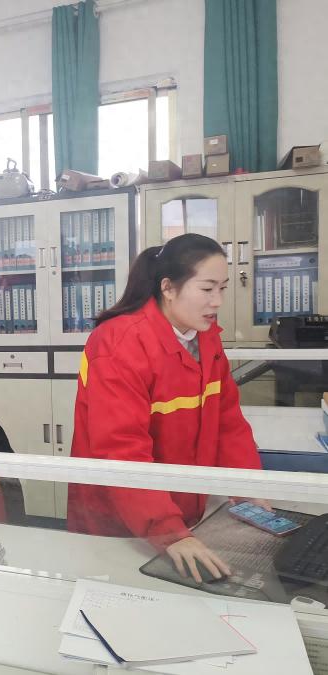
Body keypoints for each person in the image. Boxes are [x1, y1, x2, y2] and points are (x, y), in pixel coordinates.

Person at [67, 233, 266, 584]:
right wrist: (167, 530)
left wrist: (249, 489)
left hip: (183, 514)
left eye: (222, 288)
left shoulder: (206, 337)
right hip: (120, 522)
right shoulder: (119, 343)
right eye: (207, 289)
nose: (218, 301)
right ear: (168, 288)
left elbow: (228, 424)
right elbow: (121, 450)